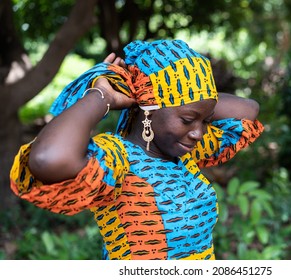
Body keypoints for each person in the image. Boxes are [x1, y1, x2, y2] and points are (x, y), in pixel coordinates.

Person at [10, 39, 264, 260]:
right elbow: (47, 158)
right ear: (148, 111)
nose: (199, 133)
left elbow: (248, 110)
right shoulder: (117, 160)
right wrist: (102, 96)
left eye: (205, 121)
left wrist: (190, 95)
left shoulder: (183, 153)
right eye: (188, 120)